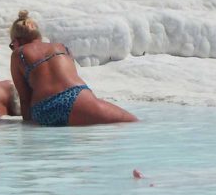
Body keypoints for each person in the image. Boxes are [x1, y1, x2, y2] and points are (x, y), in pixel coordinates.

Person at [9, 10, 137, 127]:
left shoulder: (18, 54)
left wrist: (27, 128)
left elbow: (25, 99)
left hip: (43, 110)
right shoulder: (60, 47)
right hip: (74, 97)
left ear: (16, 41)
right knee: (132, 122)